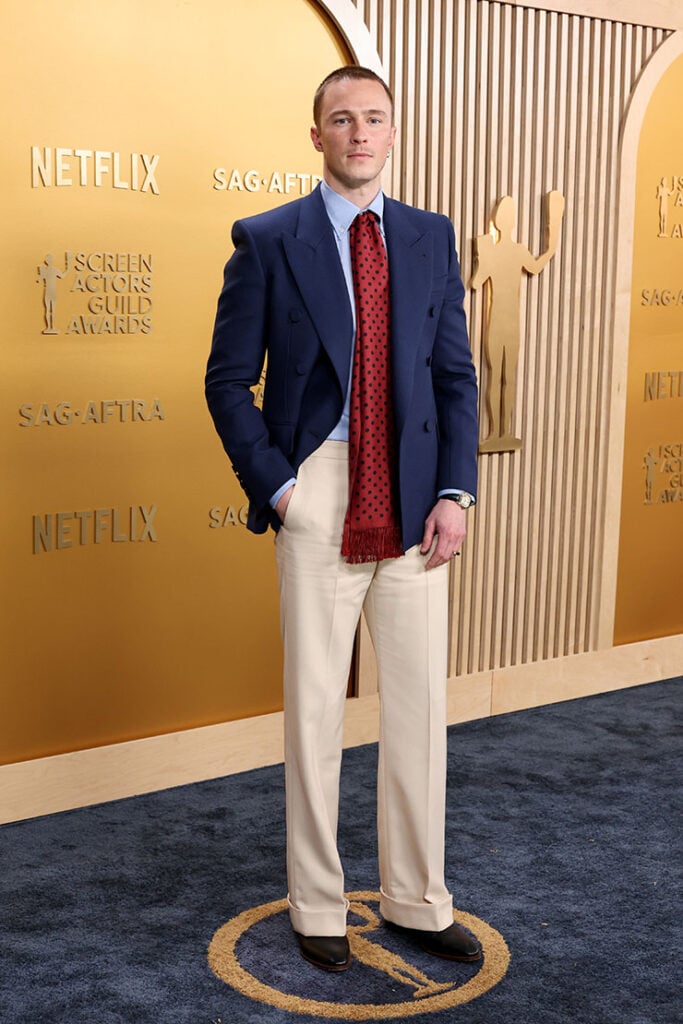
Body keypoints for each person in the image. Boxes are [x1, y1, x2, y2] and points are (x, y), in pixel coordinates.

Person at [206, 66, 480, 973]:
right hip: (318, 486)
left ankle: (416, 899)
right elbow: (226, 382)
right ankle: (317, 903)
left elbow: (453, 377)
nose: (359, 132)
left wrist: (455, 491)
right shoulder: (267, 239)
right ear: (316, 134)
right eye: (341, 119)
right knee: (316, 709)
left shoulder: (431, 236)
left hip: (414, 494)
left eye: (374, 118)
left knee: (419, 710)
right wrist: (281, 489)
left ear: (392, 133)